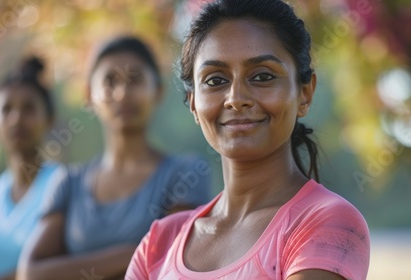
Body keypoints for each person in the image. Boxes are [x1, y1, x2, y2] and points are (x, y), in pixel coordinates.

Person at [125, 0, 371, 279]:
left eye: (263, 76)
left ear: (305, 94)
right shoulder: (160, 243)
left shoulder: (326, 222)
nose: (236, 99)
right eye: (215, 80)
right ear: (193, 103)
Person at [18, 36, 212, 280]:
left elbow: (171, 262)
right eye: (110, 81)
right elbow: (32, 273)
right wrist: (138, 251)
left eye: (135, 80)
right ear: (90, 95)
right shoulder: (68, 182)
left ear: (158, 91)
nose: (122, 93)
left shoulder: (185, 172)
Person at [0, 57, 63, 279]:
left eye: (29, 108)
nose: (17, 118)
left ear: (49, 119)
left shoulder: (65, 183)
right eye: (6, 109)